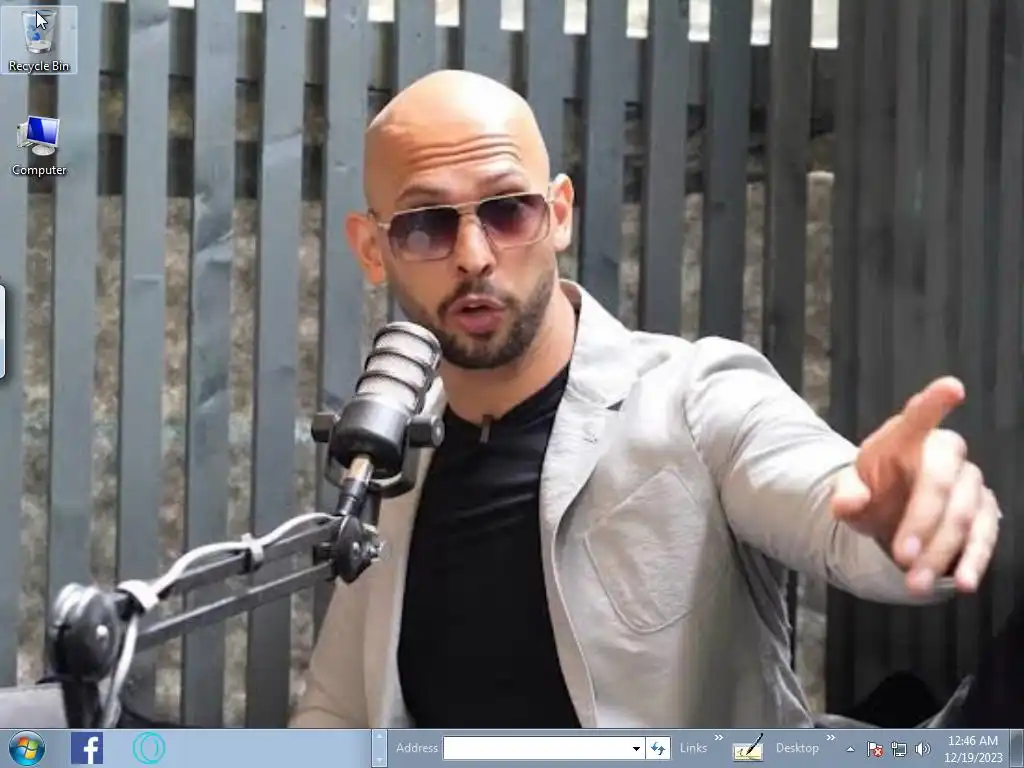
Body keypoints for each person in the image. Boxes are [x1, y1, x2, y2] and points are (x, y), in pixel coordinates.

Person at [289, 70, 1002, 728]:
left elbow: (826, 503)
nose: (474, 255)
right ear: (372, 248)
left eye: (507, 211)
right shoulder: (388, 458)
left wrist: (898, 516)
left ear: (558, 214)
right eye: (426, 225)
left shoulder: (693, 396)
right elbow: (338, 711)